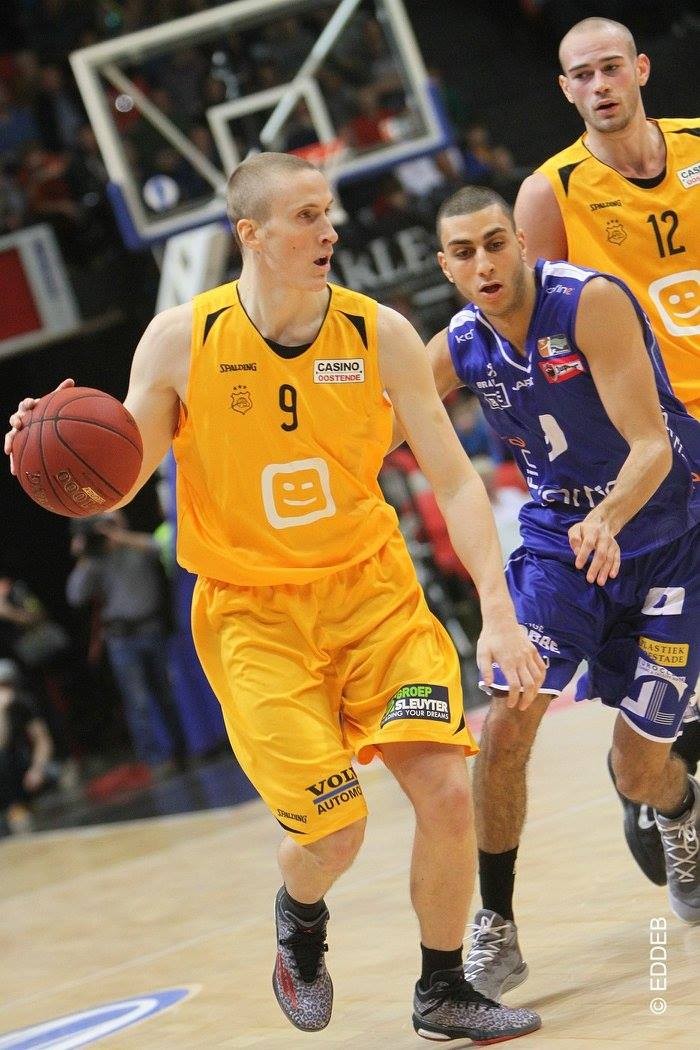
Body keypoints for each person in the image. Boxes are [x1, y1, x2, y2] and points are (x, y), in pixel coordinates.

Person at [5, 152, 544, 1043]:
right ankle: (300, 920)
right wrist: (53, 452)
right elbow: (118, 480)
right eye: (305, 216)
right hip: (254, 616)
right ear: (249, 234)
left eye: (327, 212)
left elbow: (454, 481)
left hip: (373, 596)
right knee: (336, 833)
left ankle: (444, 988)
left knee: (448, 789)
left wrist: (497, 609)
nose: (329, 230)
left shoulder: (380, 334)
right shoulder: (181, 340)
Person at [420, 184, 699, 999]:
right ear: (446, 267)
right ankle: (497, 925)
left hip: (667, 540)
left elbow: (651, 444)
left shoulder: (589, 303)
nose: (483, 263)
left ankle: (680, 812)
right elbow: (367, 421)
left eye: (494, 242)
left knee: (637, 771)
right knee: (509, 718)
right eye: (464, 252)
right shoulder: (459, 344)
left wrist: (609, 516)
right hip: (561, 548)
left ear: (520, 242)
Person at [513, 15, 700, 888]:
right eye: (582, 75)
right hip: (647, 436)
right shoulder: (549, 192)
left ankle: (658, 766)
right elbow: (535, 330)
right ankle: (652, 776)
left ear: (642, 70)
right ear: (565, 90)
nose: (600, 86)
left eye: (611, 68)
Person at [66, 510, 189, 778]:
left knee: (165, 694)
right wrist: (84, 555)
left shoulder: (136, 547)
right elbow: (75, 596)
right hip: (120, 638)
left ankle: (182, 752)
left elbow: (161, 548)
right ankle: (155, 761)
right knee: (138, 702)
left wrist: (120, 536)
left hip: (150, 628)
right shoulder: (96, 560)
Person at [0, 657, 56, 835]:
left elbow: (42, 739)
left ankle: (24, 802)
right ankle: (14, 807)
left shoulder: (23, 703)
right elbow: (2, 743)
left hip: (19, 764)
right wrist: (2, 712)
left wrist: (37, 769)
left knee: (51, 774)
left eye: (7, 684)